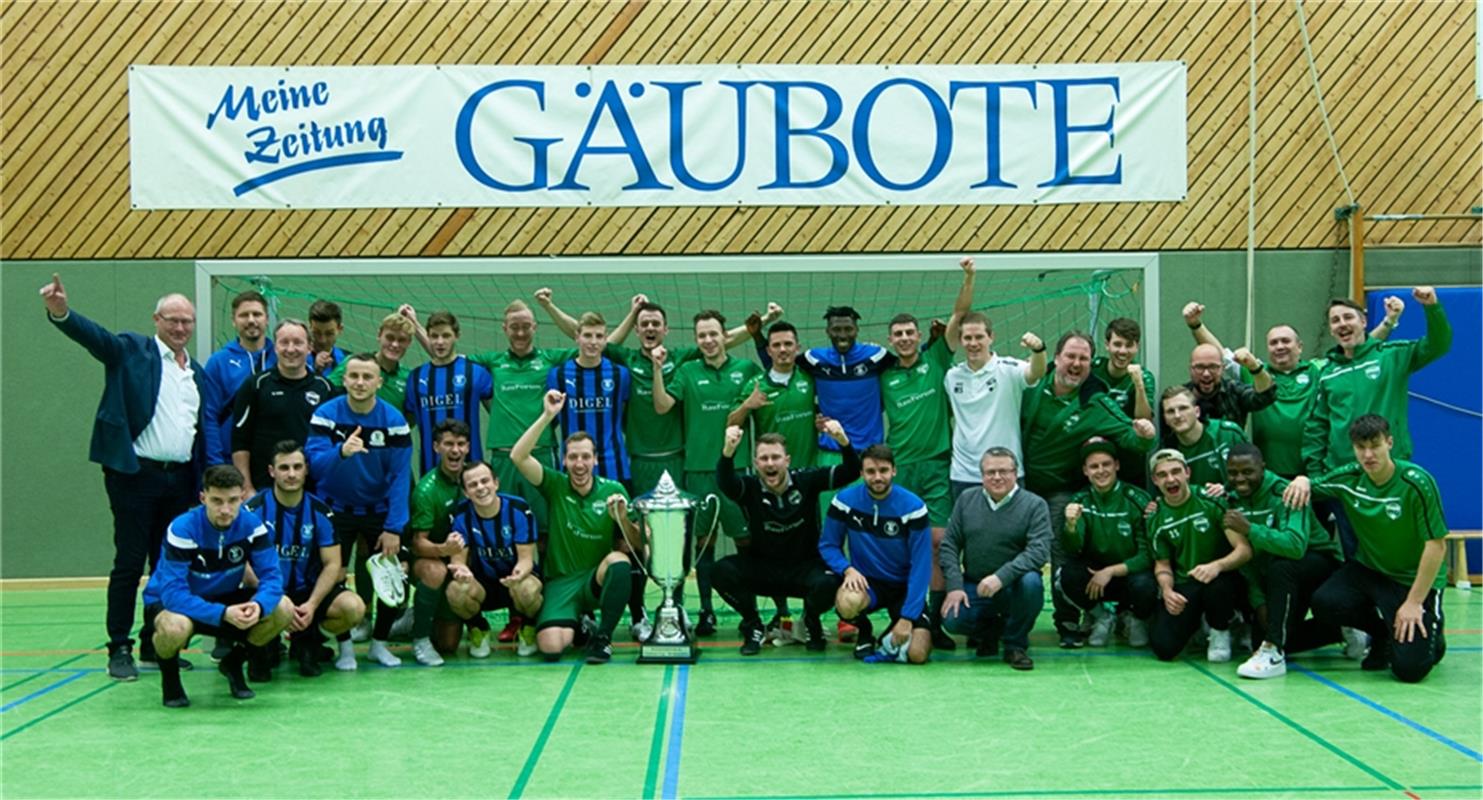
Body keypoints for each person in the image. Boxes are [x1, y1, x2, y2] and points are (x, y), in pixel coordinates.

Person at [42, 273, 205, 681]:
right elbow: (96, 338)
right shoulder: (133, 350)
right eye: (173, 320)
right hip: (136, 477)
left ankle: (156, 642)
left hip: (180, 480)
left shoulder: (195, 372)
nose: (180, 327)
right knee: (129, 563)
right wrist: (62, 313)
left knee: (167, 566)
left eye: (187, 321)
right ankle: (118, 647)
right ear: (156, 319)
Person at [1020, 331, 1156, 647]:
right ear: (1056, 359)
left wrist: (1146, 433)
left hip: (1058, 491)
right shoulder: (1029, 386)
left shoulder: (1097, 404)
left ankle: (1067, 622)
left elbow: (1134, 439)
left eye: (1083, 358)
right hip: (1020, 486)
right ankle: (1002, 622)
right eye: (1071, 356)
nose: (1076, 363)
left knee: (1062, 554)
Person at [1302, 288, 1451, 557]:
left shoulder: (1392, 356)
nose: (1342, 324)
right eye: (1335, 321)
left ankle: (1409, 599)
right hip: (1346, 480)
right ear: (1332, 331)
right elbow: (1317, 427)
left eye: (1348, 317)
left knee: (1397, 549)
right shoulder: (1327, 374)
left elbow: (1439, 345)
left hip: (1390, 475)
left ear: (1364, 321)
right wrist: (1316, 475)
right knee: (1355, 554)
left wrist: (1432, 307)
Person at [1307, 415, 1449, 683]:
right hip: (1370, 570)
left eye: (1375, 445)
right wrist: (1302, 481)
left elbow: (1436, 546)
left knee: (1409, 670)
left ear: (1390, 443)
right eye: (1361, 448)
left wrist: (1414, 602)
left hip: (1413, 580)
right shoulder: (1349, 477)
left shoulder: (1416, 483)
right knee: (1325, 602)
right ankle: (1383, 633)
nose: (1368, 454)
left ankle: (1432, 631)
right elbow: (1311, 487)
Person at [1187, 302, 1401, 478]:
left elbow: (1361, 349)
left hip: (1314, 471)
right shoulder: (1255, 373)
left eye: (1285, 341)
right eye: (1273, 343)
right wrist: (1196, 325)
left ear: (1300, 346)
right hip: (1270, 473)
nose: (1279, 346)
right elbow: (1217, 355)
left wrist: (1388, 322)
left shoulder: (1321, 369)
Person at [880, 258, 975, 650]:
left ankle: (934, 623)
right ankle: (903, 616)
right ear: (890, 340)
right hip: (899, 472)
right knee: (899, 547)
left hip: (937, 468)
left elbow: (959, 314)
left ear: (920, 336)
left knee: (937, 544)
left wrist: (969, 276)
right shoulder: (882, 374)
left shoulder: (936, 359)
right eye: (897, 334)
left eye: (909, 333)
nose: (904, 338)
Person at [142, 465, 293, 707]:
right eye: (217, 501)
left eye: (233, 501)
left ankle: (233, 663)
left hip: (225, 597)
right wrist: (222, 613)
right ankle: (170, 680)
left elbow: (273, 578)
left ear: (243, 497)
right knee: (173, 627)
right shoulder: (183, 528)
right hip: (178, 603)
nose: (225, 510)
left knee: (283, 608)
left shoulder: (253, 526)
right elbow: (172, 594)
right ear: (203, 498)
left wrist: (258, 605)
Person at [652, 310, 764, 636]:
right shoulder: (687, 371)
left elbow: (746, 412)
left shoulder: (745, 370)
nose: (708, 340)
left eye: (713, 334)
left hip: (736, 472)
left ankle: (751, 611)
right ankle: (706, 611)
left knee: (746, 541)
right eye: (702, 336)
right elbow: (661, 406)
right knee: (704, 544)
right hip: (698, 472)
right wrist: (657, 369)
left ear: (724, 335)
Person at [512, 390, 639, 664]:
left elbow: (638, 545)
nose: (579, 464)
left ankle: (603, 638)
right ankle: (581, 626)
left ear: (595, 460)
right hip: (562, 582)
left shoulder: (614, 490)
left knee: (619, 561)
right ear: (564, 461)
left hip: (596, 578)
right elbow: (518, 457)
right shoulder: (556, 485)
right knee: (551, 648)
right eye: (572, 458)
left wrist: (622, 519)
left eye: (585, 457)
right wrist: (547, 416)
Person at [305, 352, 413, 667]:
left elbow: (400, 476)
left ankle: (379, 644)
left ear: (379, 381)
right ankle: (346, 648)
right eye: (354, 376)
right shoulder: (325, 415)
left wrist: (393, 526)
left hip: (378, 511)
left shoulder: (394, 421)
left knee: (396, 576)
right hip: (335, 510)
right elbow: (314, 467)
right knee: (332, 574)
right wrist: (342, 451)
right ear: (344, 379)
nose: (360, 383)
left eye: (368, 377)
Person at [714, 421, 859, 654]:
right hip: (765, 569)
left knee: (831, 582)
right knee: (720, 571)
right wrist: (728, 452)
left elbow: (851, 471)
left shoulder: (806, 481)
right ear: (756, 463)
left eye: (775, 457)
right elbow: (725, 482)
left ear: (787, 461)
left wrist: (843, 440)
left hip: (805, 568)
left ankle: (811, 621)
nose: (770, 464)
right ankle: (753, 625)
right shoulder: (749, 487)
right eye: (764, 458)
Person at [1223, 443, 1343, 679]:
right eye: (1233, 473)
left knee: (1282, 566)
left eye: (1248, 472)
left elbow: (1295, 546)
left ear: (1263, 468)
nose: (1240, 479)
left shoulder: (1286, 492)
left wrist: (1250, 528)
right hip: (1278, 578)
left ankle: (1274, 651)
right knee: (1260, 636)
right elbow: (1248, 559)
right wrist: (1259, 602)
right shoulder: (1231, 500)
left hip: (1319, 565)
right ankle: (1337, 631)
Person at [245, 442, 366, 676]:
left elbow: (333, 564)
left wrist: (311, 605)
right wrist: (277, 602)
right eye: (284, 468)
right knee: (261, 673)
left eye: (297, 467)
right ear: (272, 471)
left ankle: (308, 642)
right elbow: (243, 564)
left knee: (353, 608)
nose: (291, 474)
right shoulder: (253, 511)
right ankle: (262, 644)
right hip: (266, 592)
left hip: (307, 593)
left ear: (306, 470)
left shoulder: (321, 512)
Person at [939, 448, 1051, 670]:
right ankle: (989, 631)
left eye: (1004, 471)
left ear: (1016, 473)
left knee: (1032, 583)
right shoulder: (966, 500)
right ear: (981, 476)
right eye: (991, 472)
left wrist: (1001, 577)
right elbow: (949, 544)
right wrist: (954, 586)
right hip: (975, 583)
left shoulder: (1035, 505)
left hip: (1014, 585)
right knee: (952, 619)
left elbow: (1039, 551)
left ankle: (1015, 644)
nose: (997, 477)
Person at [820, 445, 933, 664]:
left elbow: (921, 566)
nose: (877, 477)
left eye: (883, 470)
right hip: (868, 584)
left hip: (904, 587)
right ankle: (865, 631)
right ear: (862, 473)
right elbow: (828, 545)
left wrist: (907, 618)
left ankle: (894, 629)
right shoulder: (844, 501)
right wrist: (847, 569)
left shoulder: (913, 507)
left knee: (917, 655)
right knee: (846, 601)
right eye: (871, 472)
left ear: (894, 471)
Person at [1146, 449, 1252, 663]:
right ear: (1155, 480)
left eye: (1176, 471)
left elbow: (1244, 550)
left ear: (1187, 472)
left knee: (1218, 588)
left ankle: (1221, 628)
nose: (1171, 479)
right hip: (1189, 582)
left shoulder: (1211, 501)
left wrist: (1217, 566)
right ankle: (1199, 621)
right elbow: (1162, 565)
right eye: (1163, 475)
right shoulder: (1155, 517)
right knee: (1163, 648)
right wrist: (1166, 590)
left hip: (1222, 578)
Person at [1058, 438, 1158, 649]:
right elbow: (1073, 549)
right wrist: (1070, 526)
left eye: (1106, 464)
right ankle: (1102, 616)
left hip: (1129, 575)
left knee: (1146, 584)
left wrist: (1111, 571)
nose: (1101, 471)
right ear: (1085, 471)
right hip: (1096, 579)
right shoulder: (1080, 500)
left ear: (1117, 465)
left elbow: (1147, 555)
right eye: (1094, 466)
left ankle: (1135, 618)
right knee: (1066, 575)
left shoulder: (1137, 499)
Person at [445, 461, 542, 658]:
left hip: (515, 582)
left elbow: (526, 559)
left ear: (496, 483)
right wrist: (461, 572)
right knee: (455, 591)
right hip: (482, 586)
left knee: (527, 590)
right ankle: (478, 628)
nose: (480, 488)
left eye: (485, 481)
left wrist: (518, 575)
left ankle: (527, 628)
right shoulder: (461, 514)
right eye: (473, 485)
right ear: (466, 492)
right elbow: (458, 560)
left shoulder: (518, 509)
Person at [945, 309, 1046, 498]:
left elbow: (1036, 373)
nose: (973, 343)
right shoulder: (952, 377)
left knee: (1011, 528)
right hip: (964, 474)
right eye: (968, 338)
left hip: (1006, 473)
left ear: (991, 337)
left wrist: (1038, 349)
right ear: (960, 341)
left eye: (979, 337)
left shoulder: (1010, 369)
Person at [230, 318, 333, 495]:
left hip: (314, 491)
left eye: (298, 343)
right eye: (284, 342)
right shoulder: (255, 385)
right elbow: (240, 440)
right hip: (263, 488)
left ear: (310, 348)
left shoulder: (326, 389)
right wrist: (246, 488)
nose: (291, 349)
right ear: (275, 347)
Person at [406, 420, 475, 666]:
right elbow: (417, 544)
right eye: (448, 444)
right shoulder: (426, 490)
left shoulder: (476, 481)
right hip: (432, 562)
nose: (454, 450)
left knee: (448, 645)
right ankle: (420, 637)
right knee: (434, 571)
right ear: (436, 447)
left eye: (460, 444)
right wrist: (443, 550)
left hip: (462, 565)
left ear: (468, 447)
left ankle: (419, 615)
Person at [546, 311, 632, 485]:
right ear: (577, 337)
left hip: (614, 466)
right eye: (587, 335)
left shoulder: (620, 374)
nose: (593, 342)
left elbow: (624, 414)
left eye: (599, 336)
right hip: (573, 466)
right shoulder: (559, 375)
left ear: (605, 339)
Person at [404, 311, 494, 475]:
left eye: (446, 336)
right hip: (430, 470)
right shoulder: (415, 377)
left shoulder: (475, 372)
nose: (440, 342)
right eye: (434, 336)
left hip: (470, 471)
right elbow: (408, 420)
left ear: (457, 336)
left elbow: (497, 413)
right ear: (428, 337)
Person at [729, 321, 819, 469]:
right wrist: (746, 406)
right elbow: (731, 423)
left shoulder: (810, 378)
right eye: (776, 345)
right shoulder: (756, 385)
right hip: (772, 472)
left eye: (788, 344)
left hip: (809, 469)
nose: (782, 349)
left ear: (797, 348)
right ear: (769, 351)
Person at [202, 290, 276, 466]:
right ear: (234, 321)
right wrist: (216, 463)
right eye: (244, 315)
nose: (251, 320)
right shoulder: (218, 362)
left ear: (266, 319)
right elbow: (209, 416)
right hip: (230, 460)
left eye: (257, 314)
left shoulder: (282, 357)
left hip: (277, 462)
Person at [1180, 303, 1275, 428]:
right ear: (1190, 369)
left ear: (1222, 368)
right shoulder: (1180, 397)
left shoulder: (1235, 391)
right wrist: (1194, 324)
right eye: (1200, 367)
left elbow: (1265, 397)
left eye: (1213, 367)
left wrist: (1255, 368)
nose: (1206, 373)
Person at [1090, 317, 1156, 487]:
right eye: (1117, 344)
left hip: (1129, 457)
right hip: (1094, 454)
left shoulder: (1145, 376)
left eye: (1129, 345)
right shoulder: (1093, 368)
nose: (1123, 351)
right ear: (1107, 345)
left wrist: (1139, 386)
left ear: (1137, 347)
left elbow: (1144, 419)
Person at [1159, 385, 1248, 490]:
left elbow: (1254, 475)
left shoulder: (1228, 434)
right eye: (1170, 411)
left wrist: (1227, 489)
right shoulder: (1168, 451)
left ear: (1197, 412)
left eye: (1183, 408)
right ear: (1165, 419)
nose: (1177, 415)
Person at [328, 311, 414, 410]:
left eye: (401, 340)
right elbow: (326, 391)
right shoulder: (354, 363)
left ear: (409, 343)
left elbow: (409, 418)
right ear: (379, 335)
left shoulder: (408, 378)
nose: (395, 344)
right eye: (390, 338)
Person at [307, 299, 348, 377]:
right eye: (316, 332)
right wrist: (315, 370)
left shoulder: (347, 360)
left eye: (329, 334)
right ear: (309, 327)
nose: (322, 340)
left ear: (340, 329)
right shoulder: (297, 358)